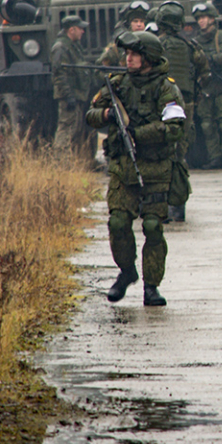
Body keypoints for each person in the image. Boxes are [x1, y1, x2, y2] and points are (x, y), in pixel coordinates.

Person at [86, 31, 186, 307]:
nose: (128, 59)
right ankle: (127, 271)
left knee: (153, 227)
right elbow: (91, 115)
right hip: (122, 168)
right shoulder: (116, 85)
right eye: (126, 54)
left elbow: (175, 128)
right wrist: (107, 115)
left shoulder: (167, 88)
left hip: (156, 169)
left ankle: (151, 287)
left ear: (149, 59)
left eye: (134, 55)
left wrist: (138, 134)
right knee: (118, 222)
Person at [156, 1, 210, 221]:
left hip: (159, 106)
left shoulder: (154, 46)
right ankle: (177, 206)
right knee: (179, 155)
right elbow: (204, 74)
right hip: (184, 106)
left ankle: (157, 205)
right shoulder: (191, 47)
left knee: (158, 154)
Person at [193, 2, 222, 170]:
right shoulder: (195, 42)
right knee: (207, 126)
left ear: (212, 19)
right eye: (199, 18)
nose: (201, 21)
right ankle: (215, 157)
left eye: (204, 17)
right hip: (205, 90)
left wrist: (215, 59)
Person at [51, 15, 93, 151]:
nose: (83, 32)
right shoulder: (60, 48)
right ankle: (60, 164)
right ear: (72, 30)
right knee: (66, 130)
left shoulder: (72, 46)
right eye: (80, 29)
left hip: (76, 94)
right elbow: (59, 75)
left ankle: (69, 164)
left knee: (74, 130)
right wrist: (68, 96)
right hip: (68, 95)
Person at [98, 1, 150, 67]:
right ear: (129, 24)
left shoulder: (152, 43)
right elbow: (101, 67)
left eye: (142, 21)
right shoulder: (118, 46)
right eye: (135, 21)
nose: (139, 25)